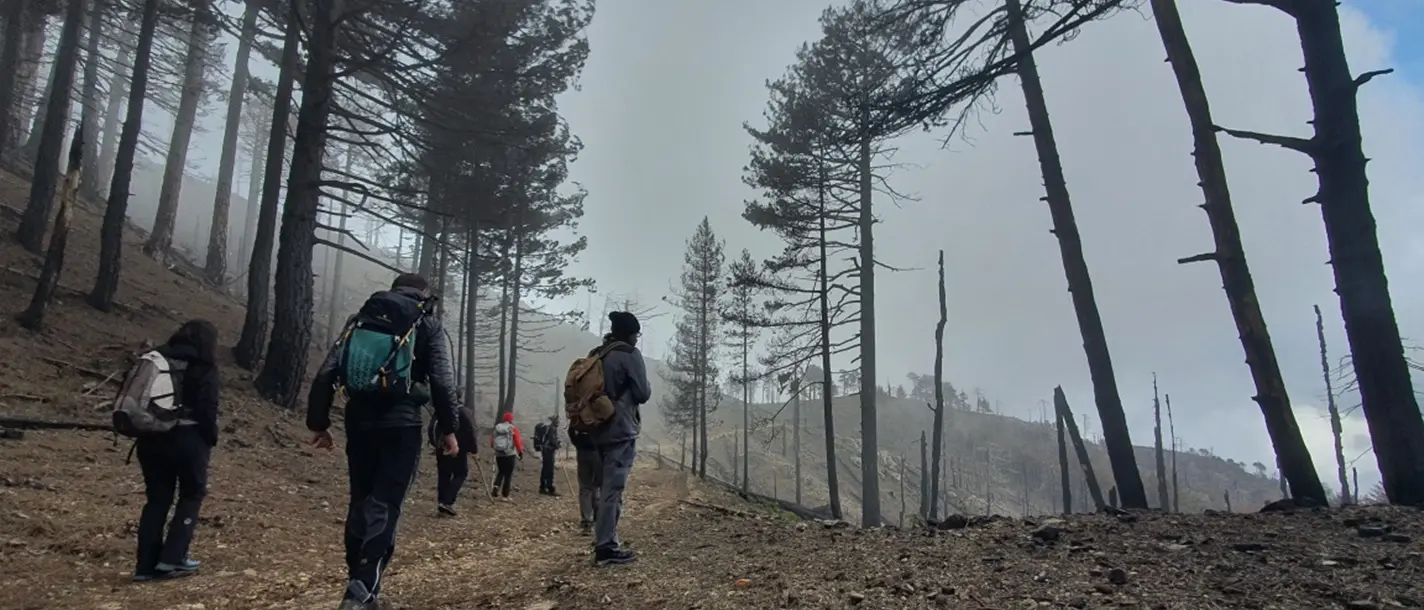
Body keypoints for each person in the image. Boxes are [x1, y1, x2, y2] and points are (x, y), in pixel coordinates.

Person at [307, 273, 462, 610]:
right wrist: (449, 429)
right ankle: (361, 592)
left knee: (360, 500)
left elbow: (327, 371)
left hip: (358, 421)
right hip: (401, 425)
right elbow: (442, 380)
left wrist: (318, 422)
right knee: (386, 504)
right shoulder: (427, 324)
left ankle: (357, 584)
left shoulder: (360, 319)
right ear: (423, 294)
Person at [133, 320, 221, 582]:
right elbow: (207, 408)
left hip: (151, 437)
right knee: (191, 494)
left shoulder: (156, 358)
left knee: (157, 500)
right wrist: (210, 437)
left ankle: (145, 565)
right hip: (188, 438)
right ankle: (173, 557)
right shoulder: (204, 366)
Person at [588, 311, 652, 566]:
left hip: (596, 429)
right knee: (613, 490)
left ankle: (605, 537)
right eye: (636, 334)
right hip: (620, 430)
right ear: (629, 334)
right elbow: (642, 393)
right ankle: (606, 547)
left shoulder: (597, 353)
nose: (637, 338)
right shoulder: (629, 354)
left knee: (602, 487)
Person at [429, 403, 478, 516]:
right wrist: (473, 448)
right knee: (461, 473)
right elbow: (471, 430)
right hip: (459, 450)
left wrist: (435, 444)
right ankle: (447, 502)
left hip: (442, 448)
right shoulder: (464, 412)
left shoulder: (440, 411)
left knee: (443, 475)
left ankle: (442, 502)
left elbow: (431, 428)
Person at [569, 425, 600, 535]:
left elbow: (571, 430)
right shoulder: (598, 417)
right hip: (597, 452)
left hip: (582, 452)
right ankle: (598, 518)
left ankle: (587, 521)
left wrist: (577, 443)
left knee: (585, 488)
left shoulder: (580, 418)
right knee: (597, 486)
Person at [489, 412, 524, 499]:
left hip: (499, 454)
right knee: (508, 474)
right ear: (511, 419)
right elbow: (517, 441)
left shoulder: (497, 428)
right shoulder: (513, 428)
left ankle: (496, 487)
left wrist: (496, 448)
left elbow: (492, 442)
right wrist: (520, 452)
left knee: (501, 471)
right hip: (510, 454)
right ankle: (505, 494)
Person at [535, 415, 562, 496]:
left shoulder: (548, 428)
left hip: (545, 450)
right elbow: (552, 440)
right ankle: (550, 488)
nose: (558, 422)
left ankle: (542, 487)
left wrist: (557, 443)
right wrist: (557, 445)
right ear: (554, 421)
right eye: (557, 421)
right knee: (549, 469)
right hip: (549, 451)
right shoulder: (551, 428)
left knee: (545, 468)